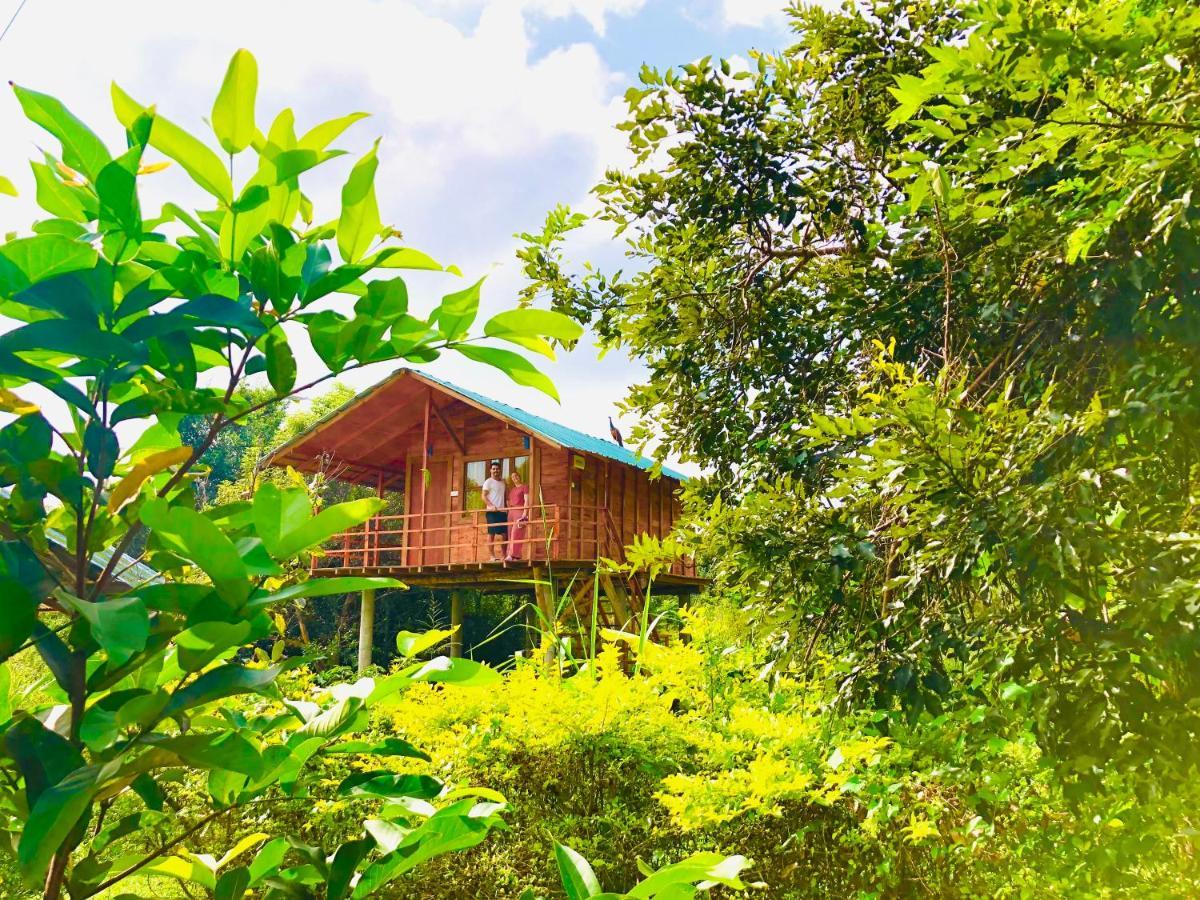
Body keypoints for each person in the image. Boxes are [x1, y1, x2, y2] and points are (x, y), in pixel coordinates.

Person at [481, 461, 507, 562]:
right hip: (492, 512)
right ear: (490, 470)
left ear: (500, 470)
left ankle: (504, 555)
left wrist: (508, 508)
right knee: (491, 534)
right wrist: (491, 506)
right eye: (494, 469)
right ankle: (492, 556)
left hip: (502, 512)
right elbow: (483, 496)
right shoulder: (488, 482)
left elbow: (505, 497)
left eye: (497, 469)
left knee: (504, 534)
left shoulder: (503, 482)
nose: (496, 470)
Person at [505, 469, 530, 562]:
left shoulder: (524, 487)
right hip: (511, 511)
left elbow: (526, 500)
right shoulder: (512, 489)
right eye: (512, 477)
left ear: (519, 477)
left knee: (517, 532)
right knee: (510, 533)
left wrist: (525, 512)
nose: (515, 478)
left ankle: (512, 555)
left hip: (520, 510)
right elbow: (509, 500)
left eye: (516, 476)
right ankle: (516, 555)